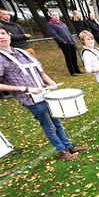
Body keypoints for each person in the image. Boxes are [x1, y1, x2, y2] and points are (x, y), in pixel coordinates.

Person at [0, 25, 88, 161]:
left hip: (45, 94)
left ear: (9, 35)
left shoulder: (22, 52)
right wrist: (25, 89)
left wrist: (51, 82)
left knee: (57, 122)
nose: (2, 37)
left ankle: (69, 146)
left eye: (3, 33)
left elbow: (40, 72)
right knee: (49, 126)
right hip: (29, 98)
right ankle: (62, 150)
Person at [0, 8, 34, 99]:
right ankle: (6, 93)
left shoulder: (15, 25)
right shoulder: (2, 26)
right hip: (12, 52)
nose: (7, 16)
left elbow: (26, 35)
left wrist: (22, 36)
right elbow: (20, 36)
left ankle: (34, 85)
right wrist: (22, 36)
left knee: (33, 69)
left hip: (25, 49)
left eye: (8, 14)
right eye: (4, 14)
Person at [47, 10, 82, 76]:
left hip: (70, 42)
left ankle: (77, 70)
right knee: (68, 57)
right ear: (51, 16)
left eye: (57, 15)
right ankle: (72, 72)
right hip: (64, 43)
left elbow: (68, 32)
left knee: (74, 56)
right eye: (54, 15)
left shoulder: (62, 23)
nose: (56, 16)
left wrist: (72, 40)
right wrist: (63, 41)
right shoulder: (50, 24)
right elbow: (54, 34)